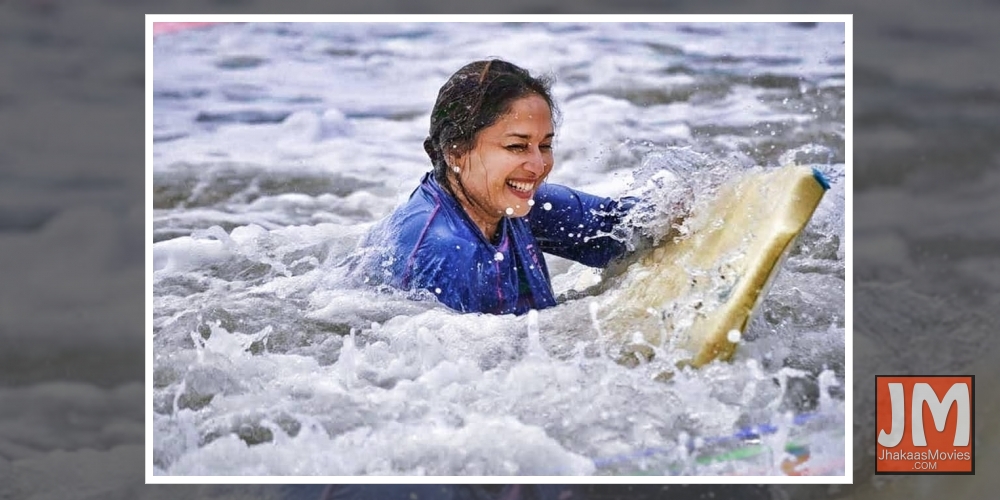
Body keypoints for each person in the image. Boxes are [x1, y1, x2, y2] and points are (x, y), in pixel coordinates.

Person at [352, 59, 640, 315]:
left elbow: (628, 231)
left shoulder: (509, 202)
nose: (539, 166)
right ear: (455, 152)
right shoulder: (445, 252)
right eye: (516, 146)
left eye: (545, 145)